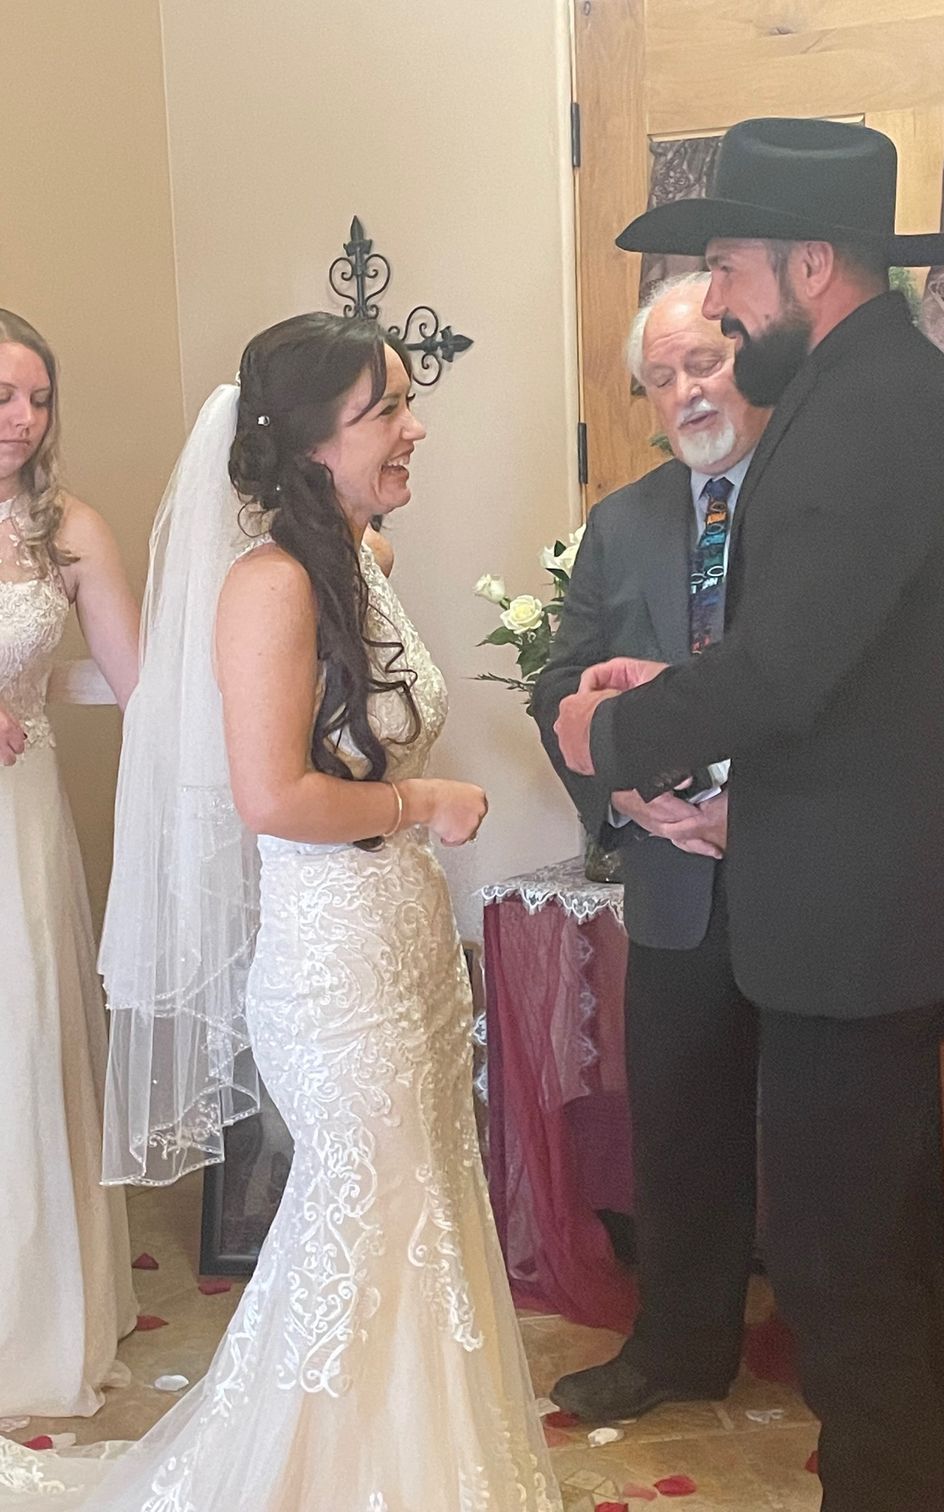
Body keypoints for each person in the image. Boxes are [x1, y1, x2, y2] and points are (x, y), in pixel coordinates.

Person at [0, 312, 561, 1511]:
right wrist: (424, 801)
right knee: (367, 1224)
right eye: (388, 413)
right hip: (333, 968)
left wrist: (412, 829)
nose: (415, 430)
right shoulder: (266, 587)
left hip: (404, 942)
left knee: (428, 1209)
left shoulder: (366, 562)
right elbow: (272, 796)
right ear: (313, 443)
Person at [553, 118, 944, 1512]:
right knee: (863, 1265)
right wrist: (681, 691)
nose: (712, 301)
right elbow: (830, 667)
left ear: (809, 262)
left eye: (725, 269)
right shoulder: (873, 390)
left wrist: (614, 727)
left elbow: (786, 673)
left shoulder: (866, 408)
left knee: (848, 1281)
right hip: (851, 907)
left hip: (856, 924)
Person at [532, 272, 770, 1419]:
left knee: (824, 1140)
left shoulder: (810, 499)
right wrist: (623, 805)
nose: (686, 393)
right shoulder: (620, 524)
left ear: (751, 356)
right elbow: (556, 690)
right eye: (662, 378)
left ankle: (845, 1362)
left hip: (800, 871)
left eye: (704, 364)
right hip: (673, 879)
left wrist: (756, 809)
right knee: (677, 1128)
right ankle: (677, 1351)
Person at [0, 309, 139, 1419]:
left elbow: (136, 681)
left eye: (39, 398)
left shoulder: (68, 529)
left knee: (28, 1030)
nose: (23, 419)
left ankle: (40, 1312)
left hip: (21, 817)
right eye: (4, 395)